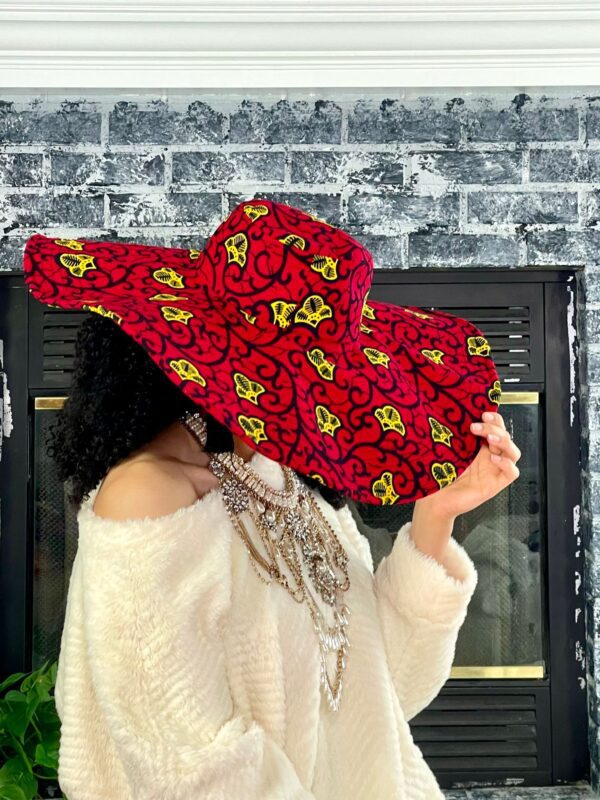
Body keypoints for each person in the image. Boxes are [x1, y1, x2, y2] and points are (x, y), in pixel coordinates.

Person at [23, 198, 520, 799]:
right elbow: (187, 767)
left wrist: (438, 512)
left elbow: (384, 691)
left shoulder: (286, 478)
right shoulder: (146, 498)